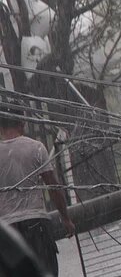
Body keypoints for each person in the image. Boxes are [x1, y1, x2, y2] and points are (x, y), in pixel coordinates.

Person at [0, 105, 75, 277]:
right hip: (37, 225)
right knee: (45, 271)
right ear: (22, 124)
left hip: (8, 229)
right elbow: (53, 186)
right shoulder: (36, 148)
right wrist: (65, 218)